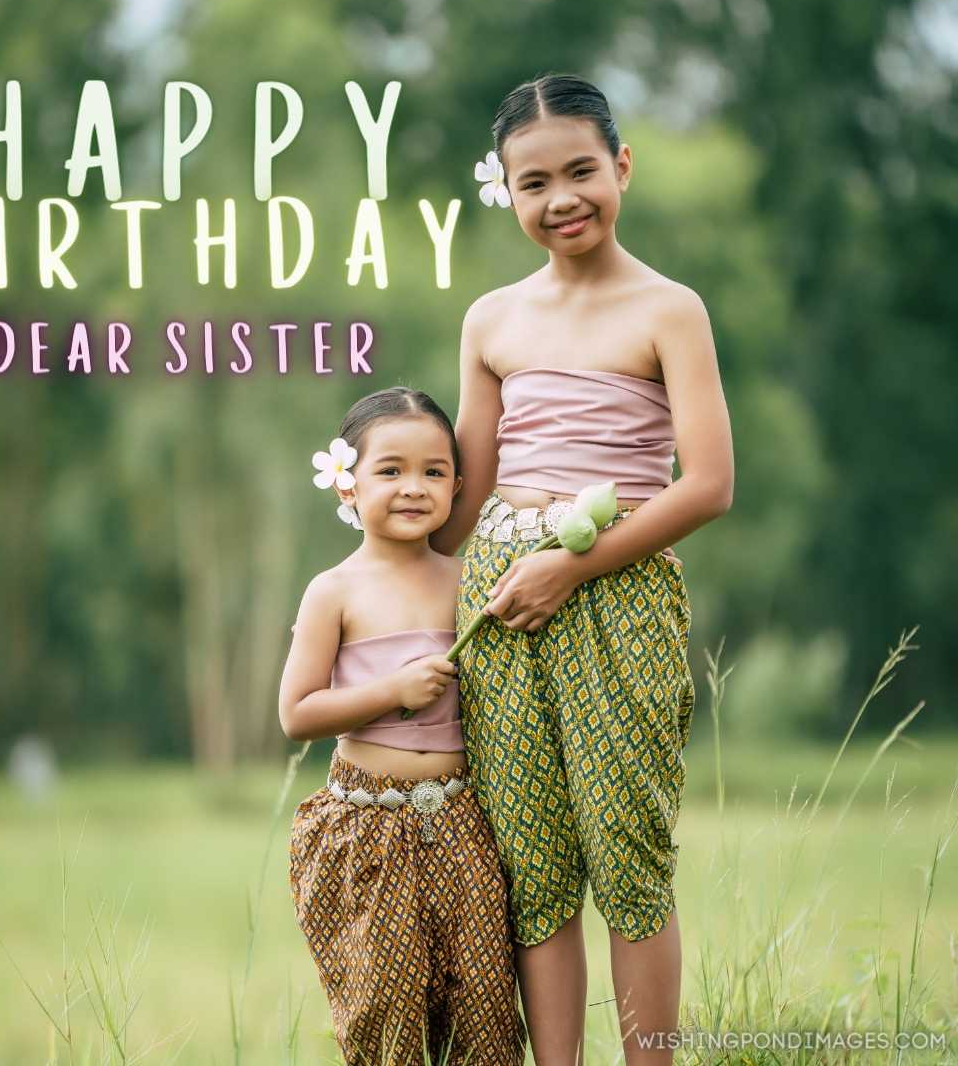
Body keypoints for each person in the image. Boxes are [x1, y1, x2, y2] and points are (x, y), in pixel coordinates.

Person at [429, 74, 735, 1066]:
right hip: (502, 607)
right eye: (534, 183)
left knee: (629, 857)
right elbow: (466, 498)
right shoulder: (490, 322)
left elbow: (709, 484)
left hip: (616, 596)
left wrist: (576, 564)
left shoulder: (669, 310)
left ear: (622, 167)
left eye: (580, 172)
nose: (561, 200)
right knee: (532, 865)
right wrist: (382, 530)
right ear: (506, 194)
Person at [280, 387, 528, 1066]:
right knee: (387, 1011)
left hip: (460, 822)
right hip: (369, 829)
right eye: (389, 470)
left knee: (482, 1002)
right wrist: (392, 690)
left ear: (457, 485)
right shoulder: (335, 590)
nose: (413, 487)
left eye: (434, 471)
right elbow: (297, 711)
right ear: (347, 485)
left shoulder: (468, 580)